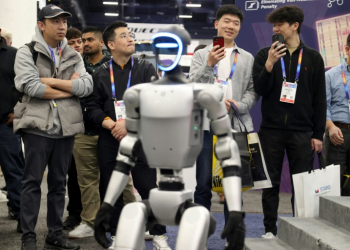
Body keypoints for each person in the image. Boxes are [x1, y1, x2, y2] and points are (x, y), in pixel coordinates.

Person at [13, 4, 93, 250]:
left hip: (66, 128)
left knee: (59, 184)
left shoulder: (74, 55)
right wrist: (67, 87)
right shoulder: (28, 52)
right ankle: (28, 236)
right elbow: (31, 87)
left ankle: (55, 234)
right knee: (32, 182)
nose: (62, 26)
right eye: (55, 21)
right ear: (41, 25)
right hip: (37, 126)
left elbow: (86, 87)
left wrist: (49, 81)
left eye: (64, 22)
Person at [86, 20, 170, 250]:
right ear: (111, 44)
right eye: (124, 35)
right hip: (110, 138)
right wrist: (112, 124)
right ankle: (117, 236)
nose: (130, 38)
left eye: (130, 34)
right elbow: (92, 106)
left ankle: (159, 236)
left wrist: (129, 123)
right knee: (111, 188)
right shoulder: (101, 73)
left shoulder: (145, 68)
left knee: (148, 187)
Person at [252, 5, 326, 238]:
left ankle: (300, 228)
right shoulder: (265, 53)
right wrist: (270, 64)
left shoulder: (313, 58)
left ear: (295, 26)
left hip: (302, 132)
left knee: (301, 185)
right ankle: (269, 230)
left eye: (280, 25)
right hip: (271, 129)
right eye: (273, 25)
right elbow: (260, 89)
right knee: (270, 184)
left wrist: (317, 133)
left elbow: (319, 99)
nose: (275, 29)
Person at [189, 3, 258, 241]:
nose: (231, 26)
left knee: (234, 187)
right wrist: (209, 63)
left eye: (236, 23)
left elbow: (252, 91)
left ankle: (235, 241)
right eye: (226, 21)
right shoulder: (200, 54)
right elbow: (193, 87)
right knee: (203, 186)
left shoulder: (247, 58)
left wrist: (239, 104)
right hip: (207, 128)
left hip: (235, 127)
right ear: (216, 23)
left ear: (239, 28)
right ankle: (198, 239)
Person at [68, 26, 111, 239]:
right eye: (83, 40)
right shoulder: (76, 64)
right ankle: (89, 221)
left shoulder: (113, 65)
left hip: (109, 129)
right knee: (86, 181)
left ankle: (127, 219)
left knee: (118, 178)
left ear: (102, 42)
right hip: (82, 129)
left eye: (90, 40)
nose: (84, 44)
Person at [0, 27, 25, 233]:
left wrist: (17, 111)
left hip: (5, 125)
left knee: (14, 172)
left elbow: (25, 86)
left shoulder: (14, 54)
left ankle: (21, 215)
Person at [63, 26, 83, 232]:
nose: (77, 45)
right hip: (71, 125)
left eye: (79, 41)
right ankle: (74, 213)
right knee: (73, 173)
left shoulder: (100, 64)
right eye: (72, 42)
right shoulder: (64, 64)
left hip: (96, 125)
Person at [324, 34, 350, 196]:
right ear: (347, 49)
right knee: (334, 182)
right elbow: (323, 106)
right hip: (338, 133)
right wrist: (330, 126)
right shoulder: (331, 75)